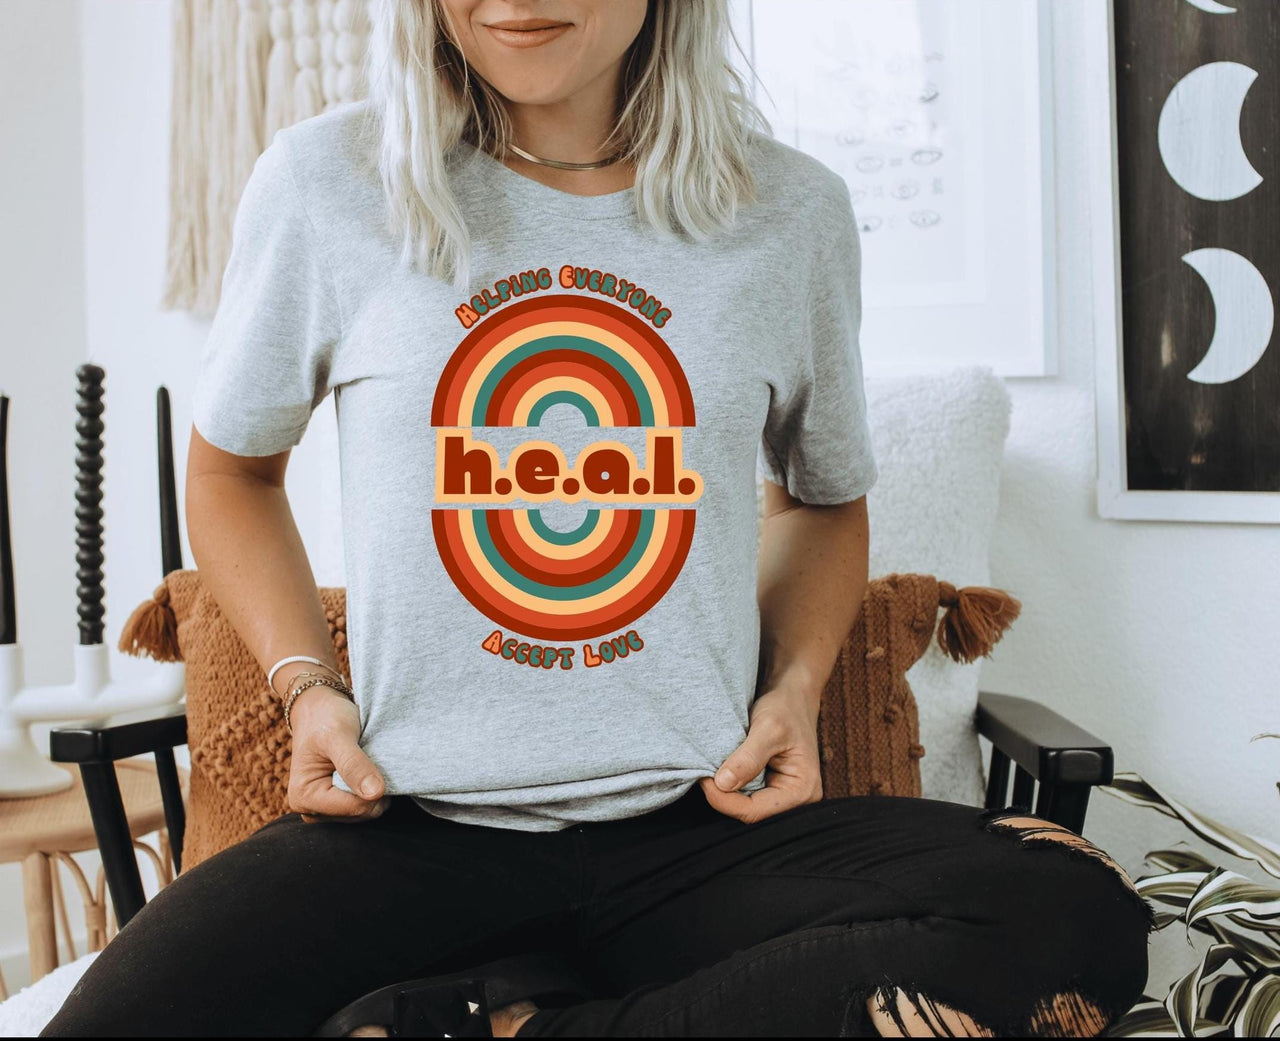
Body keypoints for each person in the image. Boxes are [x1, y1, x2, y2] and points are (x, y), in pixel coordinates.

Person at [44, 1, 1152, 1036]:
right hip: (410, 830)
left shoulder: (788, 211)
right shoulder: (328, 183)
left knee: (1071, 914)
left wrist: (796, 689)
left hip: (699, 834)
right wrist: (306, 685)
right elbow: (232, 473)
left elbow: (823, 499)